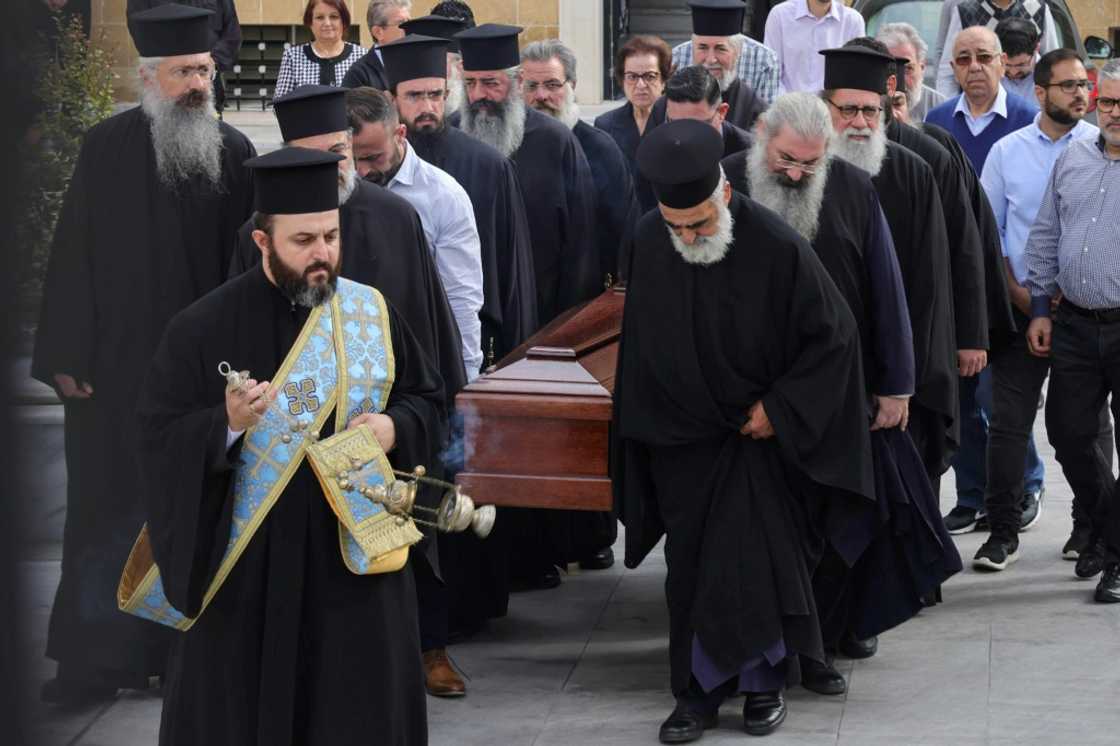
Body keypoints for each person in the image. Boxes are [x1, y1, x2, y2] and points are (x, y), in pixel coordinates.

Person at [134, 146, 442, 744]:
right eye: (303, 240)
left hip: (355, 566)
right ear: (262, 241)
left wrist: (394, 427)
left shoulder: (370, 312)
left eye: (331, 236)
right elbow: (157, 434)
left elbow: (428, 399)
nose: (322, 253)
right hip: (252, 568)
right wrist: (224, 425)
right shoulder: (201, 327)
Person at [613, 118, 875, 742]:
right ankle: (695, 696)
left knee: (758, 564)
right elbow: (641, 343)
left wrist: (780, 409)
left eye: (700, 224)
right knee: (691, 572)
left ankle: (763, 687)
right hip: (682, 441)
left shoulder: (777, 244)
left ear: (725, 195)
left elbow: (835, 337)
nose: (688, 237)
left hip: (758, 439)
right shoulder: (648, 239)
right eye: (677, 226)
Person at [31, 3, 256, 705]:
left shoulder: (234, 153)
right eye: (184, 72)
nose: (198, 85)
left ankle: (186, 657)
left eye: (205, 71)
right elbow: (72, 255)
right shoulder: (104, 146)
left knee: (191, 512)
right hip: (114, 372)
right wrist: (66, 354)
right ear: (149, 77)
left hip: (201, 381)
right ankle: (94, 661)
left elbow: (246, 274)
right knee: (102, 511)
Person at [723, 90, 962, 695]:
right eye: (785, 160)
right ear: (761, 136)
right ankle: (767, 656)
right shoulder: (725, 183)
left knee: (832, 526)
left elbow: (887, 290)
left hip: (840, 394)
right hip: (751, 399)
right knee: (763, 536)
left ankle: (820, 648)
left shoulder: (854, 189)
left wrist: (897, 385)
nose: (796, 175)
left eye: (811, 163)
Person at [375, 32, 538, 648]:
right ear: (392, 101)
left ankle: (462, 613)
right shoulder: (368, 163)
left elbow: (500, 275)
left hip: (465, 350)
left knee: (457, 484)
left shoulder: (483, 165)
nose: (427, 107)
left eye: (435, 94)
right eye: (414, 96)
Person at [978, 49, 1112, 572]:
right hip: (1022, 309)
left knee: (1089, 428)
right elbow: (991, 232)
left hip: (1088, 313)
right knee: (1011, 423)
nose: (1081, 95)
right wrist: (1024, 297)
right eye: (1068, 85)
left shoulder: (1098, 146)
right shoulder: (1008, 152)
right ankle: (1002, 530)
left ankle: (1091, 527)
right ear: (1040, 93)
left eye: (1085, 85)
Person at [820, 46, 959, 486]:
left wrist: (903, 382)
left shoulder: (913, 173)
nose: (860, 122)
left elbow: (929, 285)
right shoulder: (802, 168)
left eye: (871, 111)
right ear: (825, 109)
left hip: (894, 368)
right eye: (848, 110)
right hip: (822, 369)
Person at [925, 26, 1040, 534]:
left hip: (1009, 282)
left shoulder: (1026, 120)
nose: (974, 67)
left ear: (1003, 63)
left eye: (984, 57)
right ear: (952, 67)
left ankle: (1026, 486)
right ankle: (971, 495)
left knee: (1002, 399)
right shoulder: (935, 123)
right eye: (963, 59)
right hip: (954, 278)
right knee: (962, 398)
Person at [1025, 59, 1120, 604]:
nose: (1113, 113)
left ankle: (1115, 555)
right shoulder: (1073, 157)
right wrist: (1040, 306)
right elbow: (1046, 232)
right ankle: (1109, 531)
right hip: (1076, 324)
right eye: (1107, 101)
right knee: (1066, 434)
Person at [453, 23, 598, 327]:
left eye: (490, 83)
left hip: (542, 312)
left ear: (518, 81)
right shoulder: (451, 136)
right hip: (468, 310)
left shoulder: (555, 141)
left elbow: (581, 242)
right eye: (470, 83)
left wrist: (565, 326)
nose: (478, 95)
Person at [344, 86, 483, 379]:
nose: (362, 171)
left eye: (373, 157)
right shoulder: (339, 189)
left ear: (400, 134)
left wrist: (467, 373)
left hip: (419, 360)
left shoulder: (445, 197)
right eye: (352, 159)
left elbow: (461, 296)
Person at [521, 39, 640, 284]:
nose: (541, 96)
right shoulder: (510, 147)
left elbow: (620, 231)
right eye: (531, 86)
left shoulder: (600, 148)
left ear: (572, 85)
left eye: (552, 85)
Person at [594, 34, 672, 213]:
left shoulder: (676, 123)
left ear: (664, 80)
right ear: (622, 80)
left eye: (650, 76)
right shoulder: (605, 125)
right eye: (632, 76)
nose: (641, 85)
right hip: (622, 220)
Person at [126, 0, 241, 114]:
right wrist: (176, 65)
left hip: (209, 79)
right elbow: (141, 32)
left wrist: (210, 63)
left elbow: (232, 36)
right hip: (164, 85)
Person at [674, 0, 770, 128]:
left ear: (737, 51)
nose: (711, 60)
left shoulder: (754, 108)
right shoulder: (672, 100)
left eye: (720, 49)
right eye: (703, 48)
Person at [937, 0, 1060, 98]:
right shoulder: (965, 11)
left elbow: (1052, 61)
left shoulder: (1038, 8)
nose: (1013, 72)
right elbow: (948, 71)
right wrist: (949, 109)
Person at [764, 0, 865, 94]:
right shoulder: (780, 15)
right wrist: (789, 105)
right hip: (787, 104)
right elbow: (770, 76)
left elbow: (855, 78)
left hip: (832, 105)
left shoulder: (853, 21)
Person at [274, 0, 366, 99]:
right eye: (320, 17)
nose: (327, 23)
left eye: (334, 17)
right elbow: (280, 102)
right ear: (310, 22)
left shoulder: (362, 56)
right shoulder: (293, 57)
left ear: (344, 22)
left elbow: (371, 102)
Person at [661, 65, 755, 159]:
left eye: (696, 126)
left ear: (722, 112)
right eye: (676, 124)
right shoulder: (659, 145)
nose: (685, 137)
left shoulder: (751, 155)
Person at [876, 21, 946, 121]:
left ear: (922, 67)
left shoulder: (940, 108)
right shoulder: (865, 105)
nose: (898, 79)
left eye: (907, 69)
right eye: (890, 69)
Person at [340, 0, 411, 90]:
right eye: (401, 23)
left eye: (409, 22)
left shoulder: (417, 64)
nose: (409, 28)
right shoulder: (358, 76)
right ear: (378, 32)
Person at [995, 16, 1040, 101]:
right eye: (1006, 65)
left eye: (1021, 65)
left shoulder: (1052, 77)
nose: (1013, 72)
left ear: (1037, 49)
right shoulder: (987, 74)